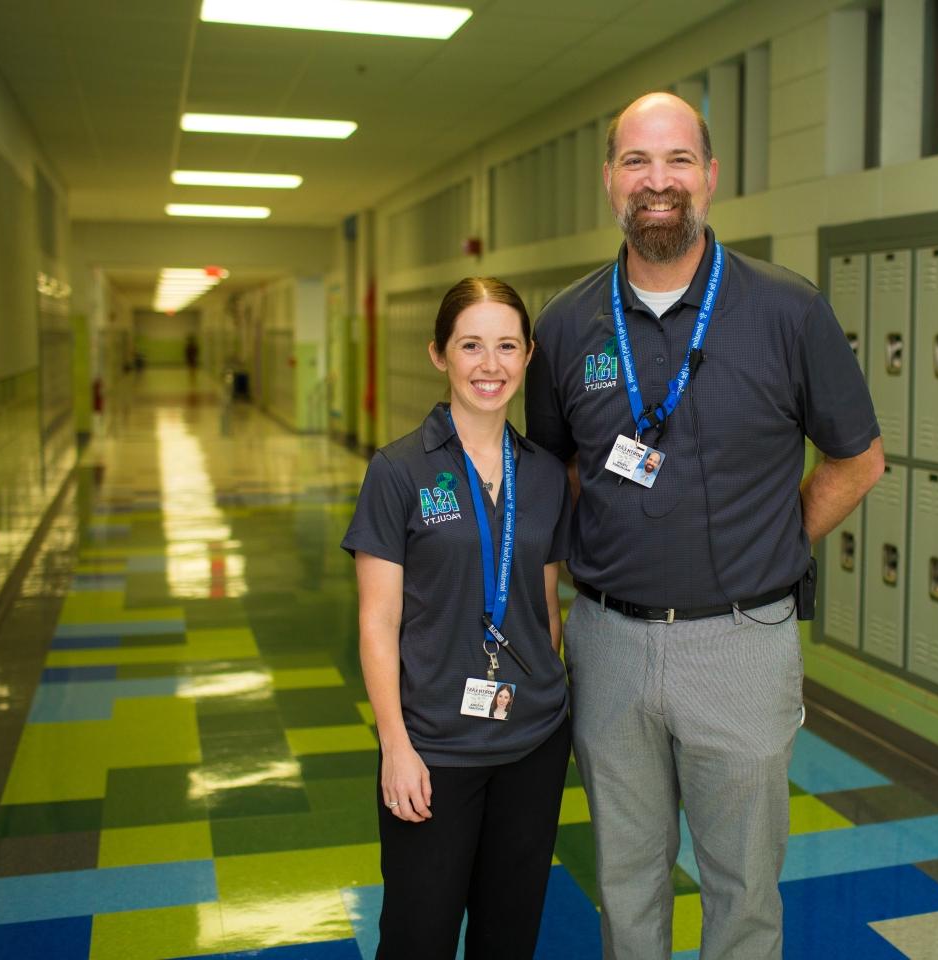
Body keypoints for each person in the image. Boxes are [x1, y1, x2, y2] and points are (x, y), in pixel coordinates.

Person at [524, 92, 885, 960]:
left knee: (743, 887)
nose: (659, 183)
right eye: (638, 163)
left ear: (711, 177)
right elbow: (551, 473)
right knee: (625, 882)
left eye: (678, 161)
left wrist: (775, 541)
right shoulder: (568, 324)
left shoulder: (787, 311)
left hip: (742, 643)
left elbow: (858, 460)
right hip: (607, 641)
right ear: (610, 180)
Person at [343, 277, 573, 960]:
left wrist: (548, 702)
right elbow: (377, 625)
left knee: (509, 938)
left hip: (531, 745)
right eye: (471, 345)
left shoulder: (542, 474)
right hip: (434, 749)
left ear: (528, 355)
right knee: (419, 937)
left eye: (506, 346)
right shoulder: (399, 472)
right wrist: (396, 746)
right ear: (439, 353)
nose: (490, 365)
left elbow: (544, 604)